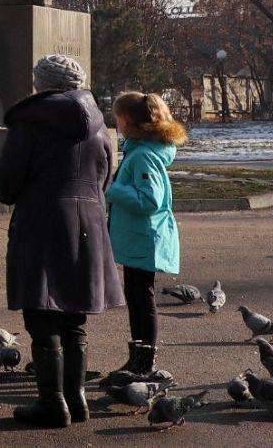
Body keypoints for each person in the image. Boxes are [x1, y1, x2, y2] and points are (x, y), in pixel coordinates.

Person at [0, 54, 124, 428]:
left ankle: (52, 404)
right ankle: (77, 400)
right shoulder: (100, 128)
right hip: (88, 225)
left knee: (42, 316)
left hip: (42, 223)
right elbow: (104, 180)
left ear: (42, 84)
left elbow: (6, 185)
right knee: (73, 319)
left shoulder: (30, 124)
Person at [106, 92, 186, 380]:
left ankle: (144, 362)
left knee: (142, 299)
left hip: (143, 239)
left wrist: (112, 190)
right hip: (139, 239)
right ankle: (138, 358)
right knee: (138, 297)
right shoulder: (140, 150)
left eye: (117, 117)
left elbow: (150, 200)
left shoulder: (143, 156)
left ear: (127, 121)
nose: (115, 122)